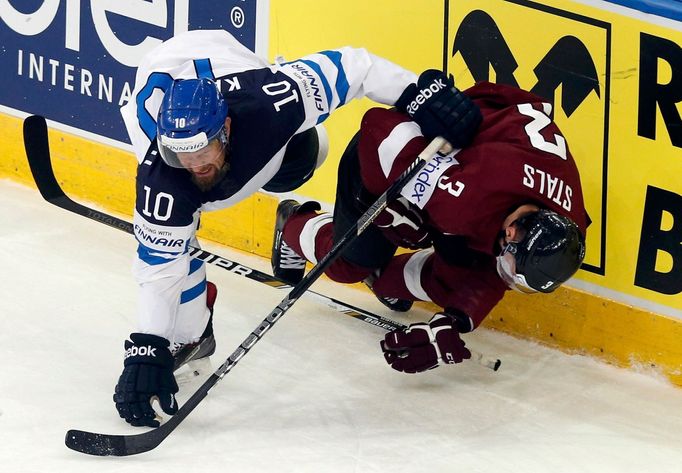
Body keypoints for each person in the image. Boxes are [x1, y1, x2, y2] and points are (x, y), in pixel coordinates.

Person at [112, 29, 482, 427]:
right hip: (164, 84)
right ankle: (194, 329)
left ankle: (286, 184)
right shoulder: (163, 176)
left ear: (227, 130)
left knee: (306, 152)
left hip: (226, 61)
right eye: (180, 153)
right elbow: (158, 268)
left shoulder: (272, 100)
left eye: (203, 151)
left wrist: (417, 93)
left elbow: (354, 66)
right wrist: (148, 343)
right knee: (175, 246)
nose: (194, 164)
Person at [272, 79, 588, 374]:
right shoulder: (466, 197)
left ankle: (382, 278)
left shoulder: (566, 229)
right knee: (348, 266)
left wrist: (453, 322)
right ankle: (293, 223)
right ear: (511, 231)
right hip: (387, 158)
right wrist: (387, 203)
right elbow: (376, 127)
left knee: (456, 280)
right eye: (508, 263)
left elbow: (488, 277)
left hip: (463, 179)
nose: (501, 271)